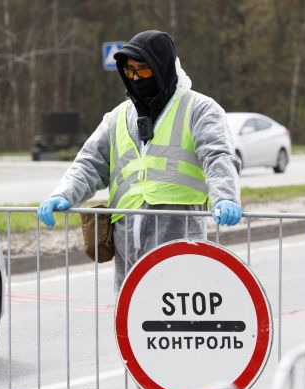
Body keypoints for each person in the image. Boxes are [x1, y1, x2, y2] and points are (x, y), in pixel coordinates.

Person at [38, 30, 242, 293]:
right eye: (130, 71)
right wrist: (64, 193)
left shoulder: (199, 109)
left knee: (179, 306)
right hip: (126, 235)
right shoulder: (117, 117)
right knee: (130, 308)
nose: (135, 78)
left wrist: (225, 196)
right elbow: (89, 164)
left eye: (143, 70)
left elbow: (218, 155)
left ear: (161, 69)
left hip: (179, 232)